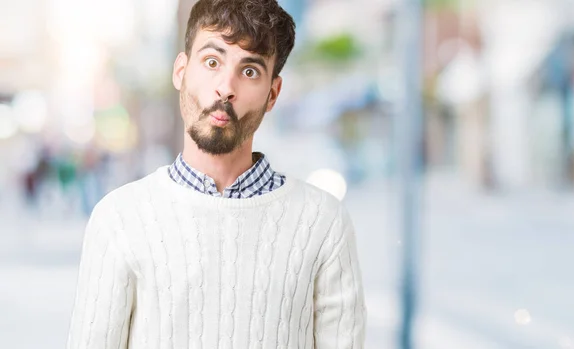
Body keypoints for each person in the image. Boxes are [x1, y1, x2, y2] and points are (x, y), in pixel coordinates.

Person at [66, 0, 366, 348]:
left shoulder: (323, 223)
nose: (226, 87)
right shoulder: (118, 219)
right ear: (181, 71)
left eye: (250, 70)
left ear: (273, 94)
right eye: (212, 62)